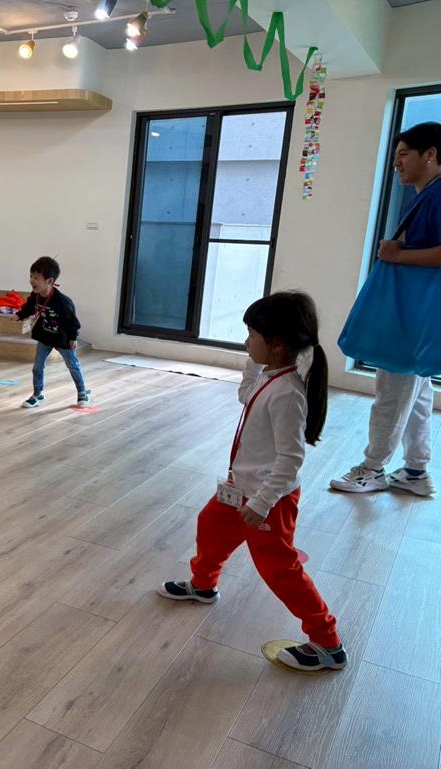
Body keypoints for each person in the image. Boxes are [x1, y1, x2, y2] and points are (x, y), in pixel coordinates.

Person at [159, 292, 346, 672]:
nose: (246, 341)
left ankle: (328, 642)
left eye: (251, 335)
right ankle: (203, 585)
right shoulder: (271, 376)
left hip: (266, 500)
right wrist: (252, 363)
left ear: (276, 344)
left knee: (279, 569)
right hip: (240, 489)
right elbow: (246, 396)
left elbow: (291, 459)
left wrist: (261, 503)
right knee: (210, 526)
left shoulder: (288, 394)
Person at [333, 122, 441, 498]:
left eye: (403, 154)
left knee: (392, 392)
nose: (396, 163)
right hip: (417, 313)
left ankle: (373, 468)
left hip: (412, 314)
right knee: (417, 392)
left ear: (431, 155)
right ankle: (415, 470)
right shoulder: (426, 195)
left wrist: (397, 255)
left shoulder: (437, 195)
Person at [14, 256, 89, 408]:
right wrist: (19, 315)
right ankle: (38, 394)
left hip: (63, 339)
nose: (32, 280)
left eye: (36, 278)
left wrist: (73, 338)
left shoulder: (62, 302)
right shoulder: (35, 296)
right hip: (44, 337)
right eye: (31, 276)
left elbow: (72, 322)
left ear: (49, 281)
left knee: (73, 365)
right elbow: (29, 307)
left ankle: (82, 392)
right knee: (37, 367)